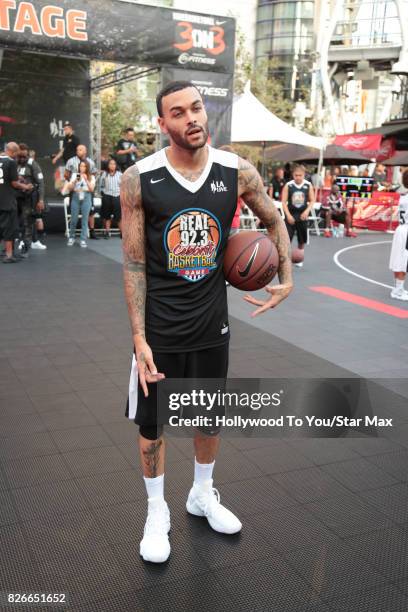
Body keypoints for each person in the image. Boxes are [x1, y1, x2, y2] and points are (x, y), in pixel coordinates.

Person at [120, 80, 293, 564]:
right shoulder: (139, 178)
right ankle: (157, 510)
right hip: (159, 328)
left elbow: (274, 220)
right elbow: (134, 263)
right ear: (163, 124)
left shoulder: (236, 171)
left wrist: (285, 273)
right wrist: (138, 338)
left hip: (211, 324)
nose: (191, 118)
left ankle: (201, 493)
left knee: (208, 416)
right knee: (152, 426)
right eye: (178, 112)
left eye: (196, 107)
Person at [0, 142, 33, 263]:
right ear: (12, 152)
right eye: (17, 154)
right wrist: (26, 186)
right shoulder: (11, 162)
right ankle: (9, 255)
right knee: (9, 228)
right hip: (8, 201)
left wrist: (17, 177)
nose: (17, 157)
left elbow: (5, 176)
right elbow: (13, 183)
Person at [281, 164, 315, 268]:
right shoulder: (289, 185)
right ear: (293, 175)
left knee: (302, 239)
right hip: (291, 215)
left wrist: (307, 211)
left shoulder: (308, 185)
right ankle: (286, 259)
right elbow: (283, 202)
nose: (298, 177)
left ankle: (299, 258)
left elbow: (312, 200)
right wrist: (288, 215)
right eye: (296, 175)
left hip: (302, 215)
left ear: (304, 175)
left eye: (300, 175)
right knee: (287, 239)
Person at [16, 144, 47, 253]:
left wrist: (41, 199)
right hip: (17, 197)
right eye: (20, 156)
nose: (22, 159)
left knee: (27, 220)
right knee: (21, 220)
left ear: (27, 154)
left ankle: (26, 241)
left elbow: (41, 182)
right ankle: (32, 240)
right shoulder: (15, 163)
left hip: (30, 197)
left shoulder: (33, 164)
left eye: (24, 156)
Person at [65, 145, 99, 240]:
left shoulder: (90, 162)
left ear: (85, 151)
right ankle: (72, 234)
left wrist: (87, 180)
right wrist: (73, 182)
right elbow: (66, 174)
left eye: (80, 150)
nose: (78, 151)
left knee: (90, 212)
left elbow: (94, 173)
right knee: (74, 212)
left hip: (87, 191)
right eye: (77, 149)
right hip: (75, 190)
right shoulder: (71, 161)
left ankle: (91, 231)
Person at [64, 160, 95, 248]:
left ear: (87, 168)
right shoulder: (75, 175)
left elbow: (92, 189)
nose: (82, 168)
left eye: (84, 166)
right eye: (81, 166)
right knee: (73, 219)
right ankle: (71, 237)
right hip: (76, 196)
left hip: (86, 197)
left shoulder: (91, 176)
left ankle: (83, 239)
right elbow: (70, 188)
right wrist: (75, 181)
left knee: (85, 220)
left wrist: (86, 179)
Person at [389, 169, 408, 301]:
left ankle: (399, 288)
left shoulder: (404, 195)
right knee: (402, 261)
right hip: (405, 230)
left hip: (401, 229)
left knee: (400, 260)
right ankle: (398, 290)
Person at [100, 158, 122, 238]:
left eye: (114, 164)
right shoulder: (104, 174)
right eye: (110, 164)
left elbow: (123, 185)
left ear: (116, 166)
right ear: (108, 165)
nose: (112, 165)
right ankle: (107, 232)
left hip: (117, 196)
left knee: (119, 216)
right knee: (107, 215)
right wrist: (103, 192)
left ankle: (122, 232)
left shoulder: (120, 174)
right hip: (107, 196)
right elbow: (101, 185)